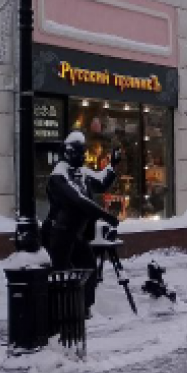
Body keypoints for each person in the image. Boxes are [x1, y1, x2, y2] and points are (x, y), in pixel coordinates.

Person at [43, 131, 120, 313]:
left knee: (88, 268)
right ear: (68, 153)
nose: (84, 157)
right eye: (80, 153)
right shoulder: (59, 176)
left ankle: (84, 308)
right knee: (61, 273)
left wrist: (112, 165)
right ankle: (62, 310)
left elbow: (101, 183)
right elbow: (78, 200)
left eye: (84, 153)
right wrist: (105, 215)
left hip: (75, 233)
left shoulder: (81, 173)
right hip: (58, 234)